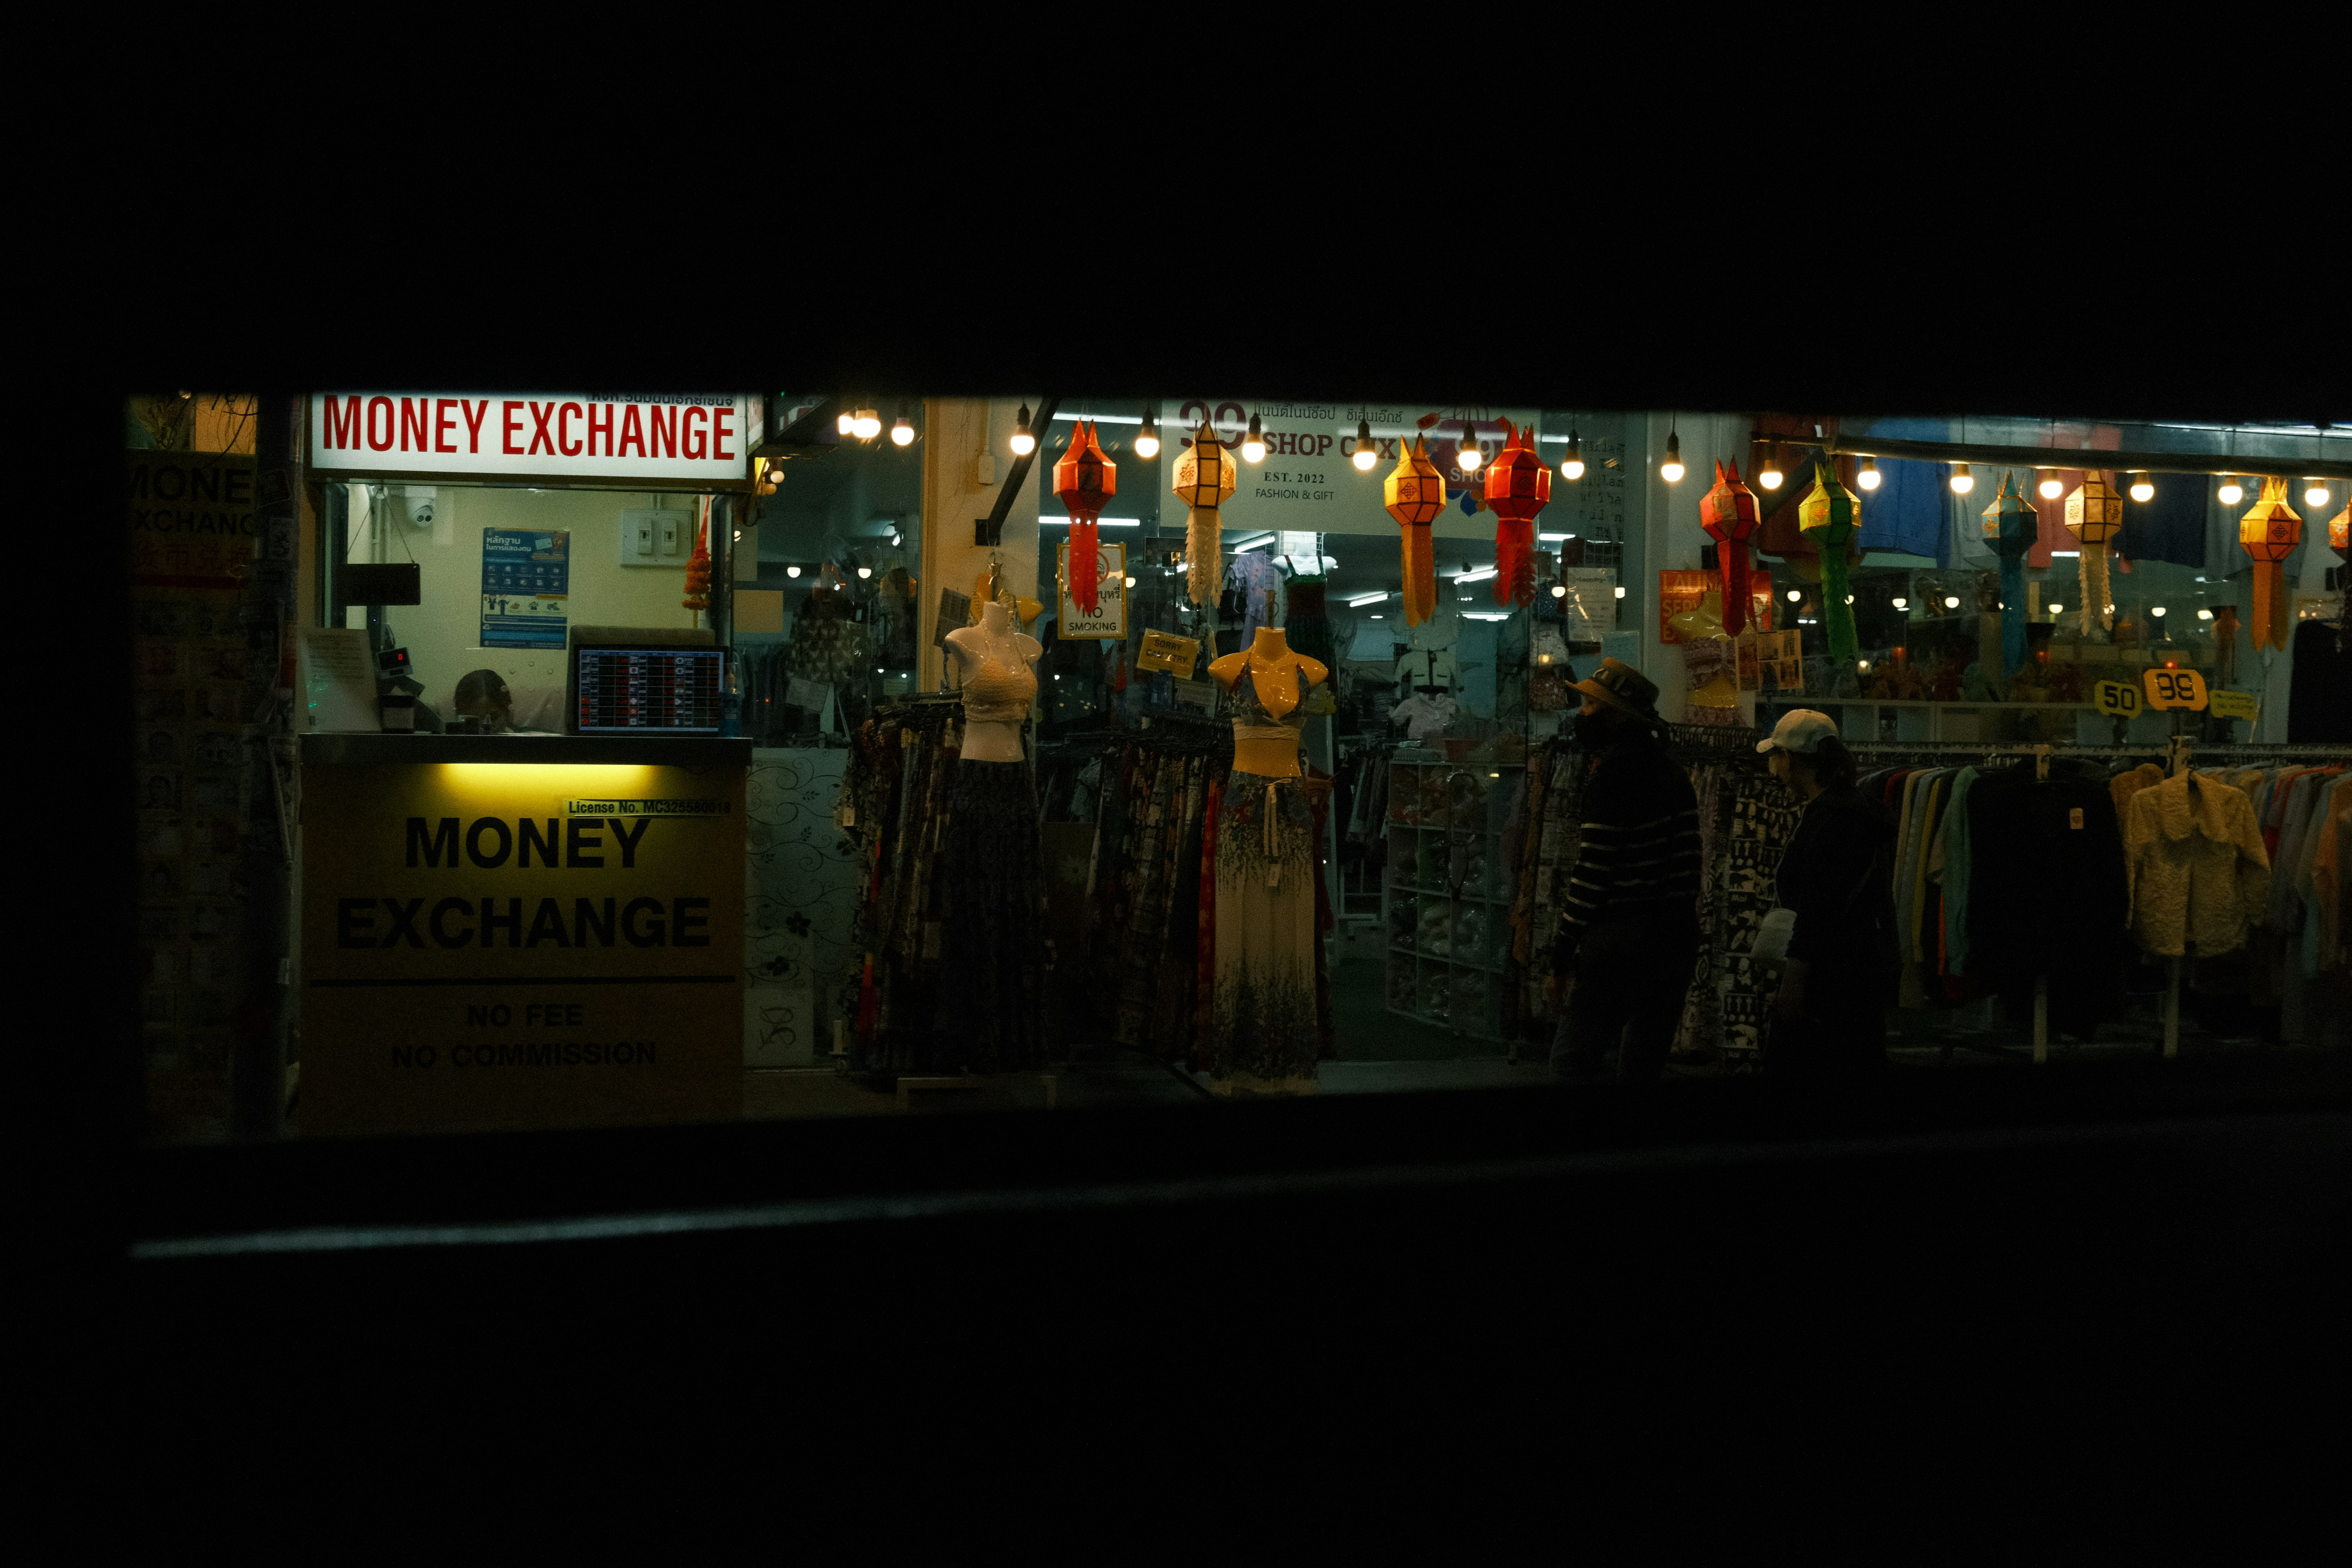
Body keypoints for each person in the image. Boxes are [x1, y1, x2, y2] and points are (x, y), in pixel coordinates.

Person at [1548, 658, 1703, 1084]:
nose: (1581, 714)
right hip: (1675, 937)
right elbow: (1692, 868)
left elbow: (1593, 874)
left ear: (1616, 715)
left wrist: (1562, 952)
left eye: (1589, 706)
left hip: (1620, 942)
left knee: (1572, 1060)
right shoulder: (1674, 774)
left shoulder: (1613, 777)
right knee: (1642, 1065)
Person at [1756, 709, 1899, 1077]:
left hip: (1832, 976)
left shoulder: (1833, 816)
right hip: (1857, 967)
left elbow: (1819, 905)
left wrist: (1794, 979)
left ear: (1787, 758)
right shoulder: (1853, 807)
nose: (1773, 768)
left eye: (1775, 757)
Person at [453, 669, 516, 733]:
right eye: (472, 721)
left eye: (492, 719)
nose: (482, 730)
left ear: (507, 714)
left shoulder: (524, 736)